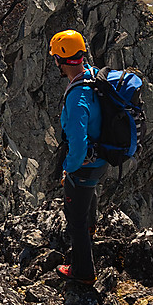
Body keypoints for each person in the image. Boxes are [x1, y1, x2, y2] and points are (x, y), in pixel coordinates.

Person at [49, 29, 108, 286]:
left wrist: (68, 169)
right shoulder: (93, 76)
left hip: (85, 166)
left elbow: (77, 143)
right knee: (89, 196)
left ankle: (83, 271)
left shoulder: (76, 98)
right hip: (102, 159)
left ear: (60, 60)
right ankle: (91, 227)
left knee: (75, 221)